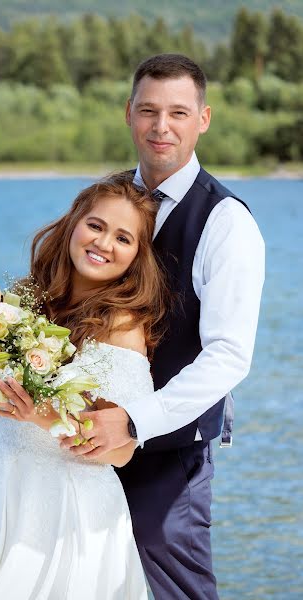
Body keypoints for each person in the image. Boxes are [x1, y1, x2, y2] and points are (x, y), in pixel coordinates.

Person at [0, 173, 170, 599]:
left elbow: (122, 451)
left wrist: (37, 414)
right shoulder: (30, 299)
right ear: (74, 223)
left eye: (123, 238)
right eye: (95, 225)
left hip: (68, 508)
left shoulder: (122, 326)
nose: (104, 243)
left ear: (137, 255)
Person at [60, 54, 266, 599]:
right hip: (74, 446)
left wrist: (132, 423)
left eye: (178, 112)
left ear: (203, 119)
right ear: (128, 114)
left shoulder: (226, 222)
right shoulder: (103, 204)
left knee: (173, 582)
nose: (161, 126)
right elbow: (55, 298)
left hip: (168, 454)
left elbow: (228, 356)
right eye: (148, 110)